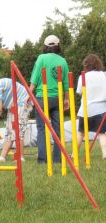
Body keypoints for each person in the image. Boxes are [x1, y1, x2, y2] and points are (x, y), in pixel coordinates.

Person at [29, 35, 69, 164]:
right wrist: (66, 99)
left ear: (45, 46)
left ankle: (43, 160)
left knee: (42, 129)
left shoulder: (41, 58)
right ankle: (57, 159)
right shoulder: (62, 61)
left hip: (42, 98)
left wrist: (29, 95)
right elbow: (66, 83)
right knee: (58, 129)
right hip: (57, 98)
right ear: (58, 45)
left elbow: (34, 80)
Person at [76, 54, 106, 160]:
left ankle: (74, 154)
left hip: (86, 109)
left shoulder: (83, 76)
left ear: (86, 65)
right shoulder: (104, 75)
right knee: (102, 134)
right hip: (101, 109)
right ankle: (105, 154)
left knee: (81, 133)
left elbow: (79, 92)